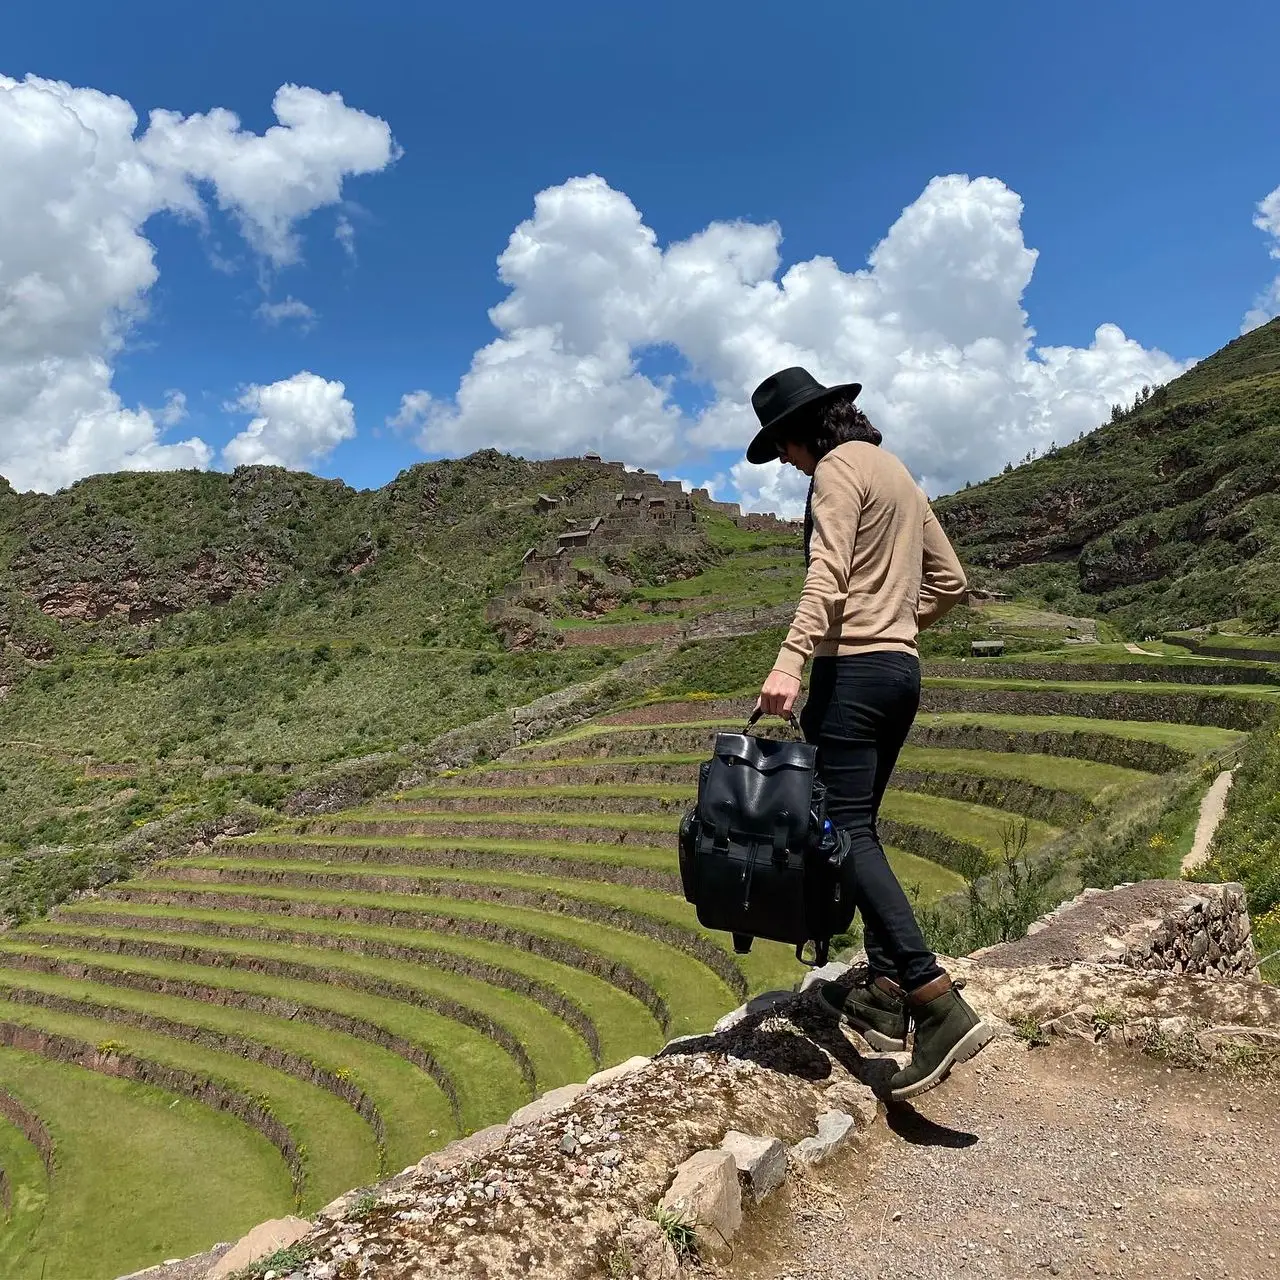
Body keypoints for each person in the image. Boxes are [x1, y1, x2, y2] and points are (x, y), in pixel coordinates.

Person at [747, 366, 992, 1100]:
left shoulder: (834, 473)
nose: (788, 464)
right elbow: (950, 581)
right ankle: (884, 994)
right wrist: (895, 628)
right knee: (862, 826)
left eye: (783, 450)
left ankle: (932, 998)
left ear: (800, 434)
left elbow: (825, 577)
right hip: (901, 674)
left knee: (841, 826)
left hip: (850, 676)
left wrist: (790, 663)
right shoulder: (896, 472)